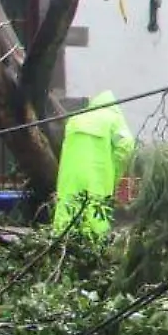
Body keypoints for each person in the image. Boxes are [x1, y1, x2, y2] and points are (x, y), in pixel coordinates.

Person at [51, 90, 137, 236]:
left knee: (67, 213)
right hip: (97, 177)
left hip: (68, 179)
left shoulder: (75, 119)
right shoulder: (113, 118)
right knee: (95, 216)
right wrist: (115, 174)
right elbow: (126, 145)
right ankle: (93, 252)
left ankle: (61, 249)